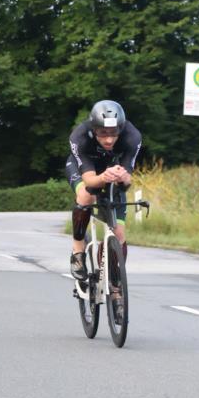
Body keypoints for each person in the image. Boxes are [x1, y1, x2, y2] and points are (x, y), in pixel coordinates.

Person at [66, 100, 142, 281]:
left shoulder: (132, 137)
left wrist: (124, 178)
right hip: (84, 170)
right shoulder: (79, 137)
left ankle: (113, 281)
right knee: (86, 195)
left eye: (114, 133)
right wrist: (103, 177)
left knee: (120, 233)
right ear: (93, 129)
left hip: (111, 170)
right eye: (102, 133)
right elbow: (91, 183)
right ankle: (78, 251)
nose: (109, 139)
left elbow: (126, 183)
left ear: (121, 129)